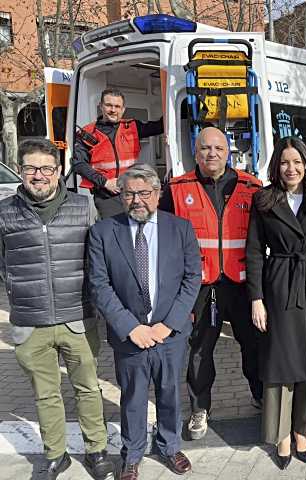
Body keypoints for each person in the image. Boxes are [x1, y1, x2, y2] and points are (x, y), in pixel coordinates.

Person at [0, 139, 114, 480]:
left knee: (88, 390)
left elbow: (99, 260)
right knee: (45, 394)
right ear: (21, 171)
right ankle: (55, 454)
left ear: (59, 171)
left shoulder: (84, 206)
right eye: (31, 168)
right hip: (30, 322)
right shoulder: (4, 212)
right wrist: (20, 290)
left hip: (78, 317)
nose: (39, 176)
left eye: (46, 168)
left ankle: (97, 450)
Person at [88, 164, 201, 480]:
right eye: (129, 193)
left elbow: (193, 278)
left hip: (170, 333)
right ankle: (133, 454)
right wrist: (131, 327)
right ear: (120, 196)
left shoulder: (180, 228)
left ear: (158, 194)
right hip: (130, 336)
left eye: (144, 193)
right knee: (133, 397)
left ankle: (170, 446)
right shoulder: (103, 232)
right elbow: (99, 284)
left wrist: (169, 324)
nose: (137, 200)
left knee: (169, 392)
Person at [159, 126, 263, 440]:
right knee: (201, 350)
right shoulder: (177, 189)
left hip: (242, 283)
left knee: (254, 345)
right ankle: (200, 407)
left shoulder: (251, 187)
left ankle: (259, 395)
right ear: (195, 150)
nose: (212, 154)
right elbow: (164, 239)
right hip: (202, 286)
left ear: (228, 150)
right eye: (205, 148)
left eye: (218, 148)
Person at [246, 136, 306, 470]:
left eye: (298, 162)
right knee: (281, 362)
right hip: (280, 283)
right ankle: (281, 434)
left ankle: (302, 430)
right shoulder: (264, 200)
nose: (292, 168)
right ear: (277, 165)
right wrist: (256, 298)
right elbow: (254, 252)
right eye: (285, 162)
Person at [72, 88, 163, 219]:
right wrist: (105, 183)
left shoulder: (132, 127)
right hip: (106, 196)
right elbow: (78, 164)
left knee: (139, 229)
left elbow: (160, 126)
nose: (113, 110)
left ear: (123, 109)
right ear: (101, 106)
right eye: (109, 105)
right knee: (114, 232)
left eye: (117, 106)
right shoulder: (87, 133)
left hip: (134, 192)